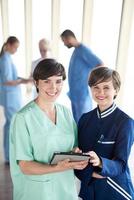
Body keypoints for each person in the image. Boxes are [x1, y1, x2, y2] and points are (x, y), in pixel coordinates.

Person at [10, 58, 88, 200]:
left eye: (58, 81)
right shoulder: (23, 118)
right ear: (36, 82)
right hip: (37, 191)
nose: (54, 88)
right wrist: (56, 168)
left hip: (65, 187)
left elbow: (74, 146)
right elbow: (25, 166)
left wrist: (75, 153)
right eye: (47, 81)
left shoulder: (65, 112)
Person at [75, 67, 134, 200]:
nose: (100, 92)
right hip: (88, 191)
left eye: (106, 87)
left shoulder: (126, 123)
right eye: (96, 87)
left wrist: (100, 162)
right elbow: (78, 159)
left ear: (116, 90)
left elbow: (121, 165)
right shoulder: (84, 119)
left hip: (115, 190)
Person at [60, 29, 103, 123]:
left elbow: (100, 64)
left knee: (84, 123)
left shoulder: (83, 50)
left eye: (64, 41)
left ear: (69, 38)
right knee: (77, 123)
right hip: (75, 94)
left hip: (82, 95)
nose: (64, 44)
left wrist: (92, 80)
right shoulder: (76, 51)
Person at [0, 36, 30, 164]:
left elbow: (13, 77)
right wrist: (22, 81)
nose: (16, 50)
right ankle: (9, 156)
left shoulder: (7, 58)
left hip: (12, 97)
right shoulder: (4, 59)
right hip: (10, 97)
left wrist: (24, 80)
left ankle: (9, 155)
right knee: (11, 126)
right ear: (9, 45)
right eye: (16, 47)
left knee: (10, 125)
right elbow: (7, 81)